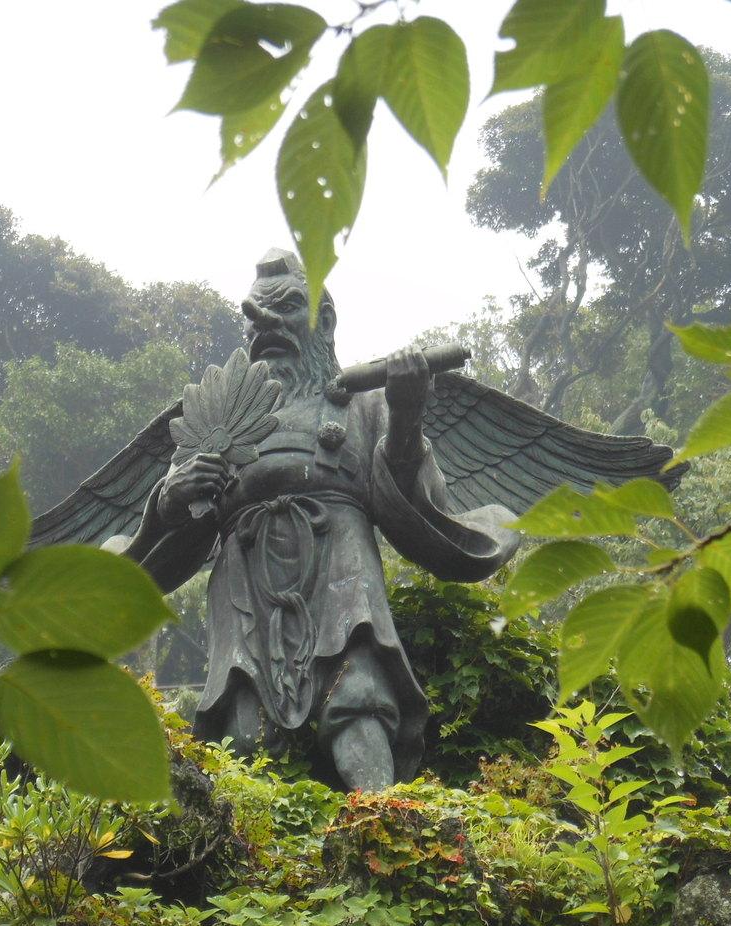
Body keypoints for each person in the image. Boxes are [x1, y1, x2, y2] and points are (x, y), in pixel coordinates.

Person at [117, 249, 520, 790]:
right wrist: (170, 500)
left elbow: (412, 508)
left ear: (324, 322)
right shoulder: (217, 419)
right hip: (246, 586)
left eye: (286, 308)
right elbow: (171, 545)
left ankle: (381, 818)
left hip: (341, 571)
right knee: (246, 731)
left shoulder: (364, 405)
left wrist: (405, 416)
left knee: (359, 698)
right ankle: (252, 832)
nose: (266, 326)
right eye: (254, 318)